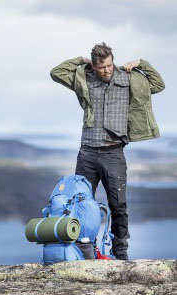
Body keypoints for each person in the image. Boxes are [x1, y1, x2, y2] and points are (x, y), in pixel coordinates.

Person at [50, 42, 165, 260]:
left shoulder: (128, 78)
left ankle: (121, 253)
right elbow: (56, 73)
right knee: (81, 204)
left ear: (113, 61)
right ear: (94, 66)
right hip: (87, 153)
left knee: (118, 205)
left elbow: (158, 84)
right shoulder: (85, 77)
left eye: (109, 65)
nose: (107, 70)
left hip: (114, 153)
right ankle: (86, 251)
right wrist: (80, 60)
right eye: (102, 67)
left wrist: (141, 63)